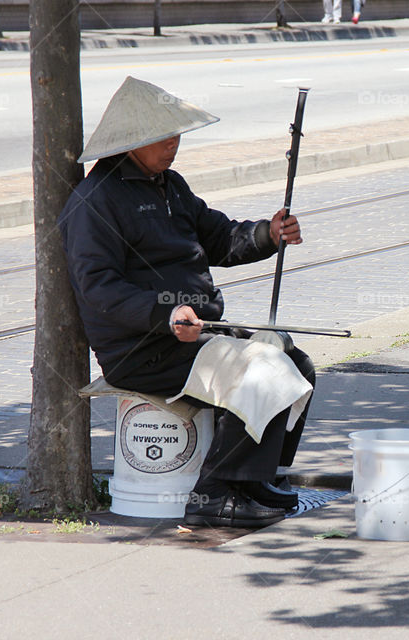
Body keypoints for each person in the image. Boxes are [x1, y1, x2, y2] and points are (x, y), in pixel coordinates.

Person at [59, 76, 315, 529]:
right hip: (143, 348)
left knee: (292, 357)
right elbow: (99, 288)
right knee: (260, 368)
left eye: (177, 134)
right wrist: (165, 315)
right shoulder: (94, 202)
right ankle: (215, 492)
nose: (174, 145)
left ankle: (253, 479)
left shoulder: (170, 185)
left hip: (194, 334)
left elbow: (218, 237)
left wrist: (267, 233)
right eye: (164, 136)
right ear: (132, 141)